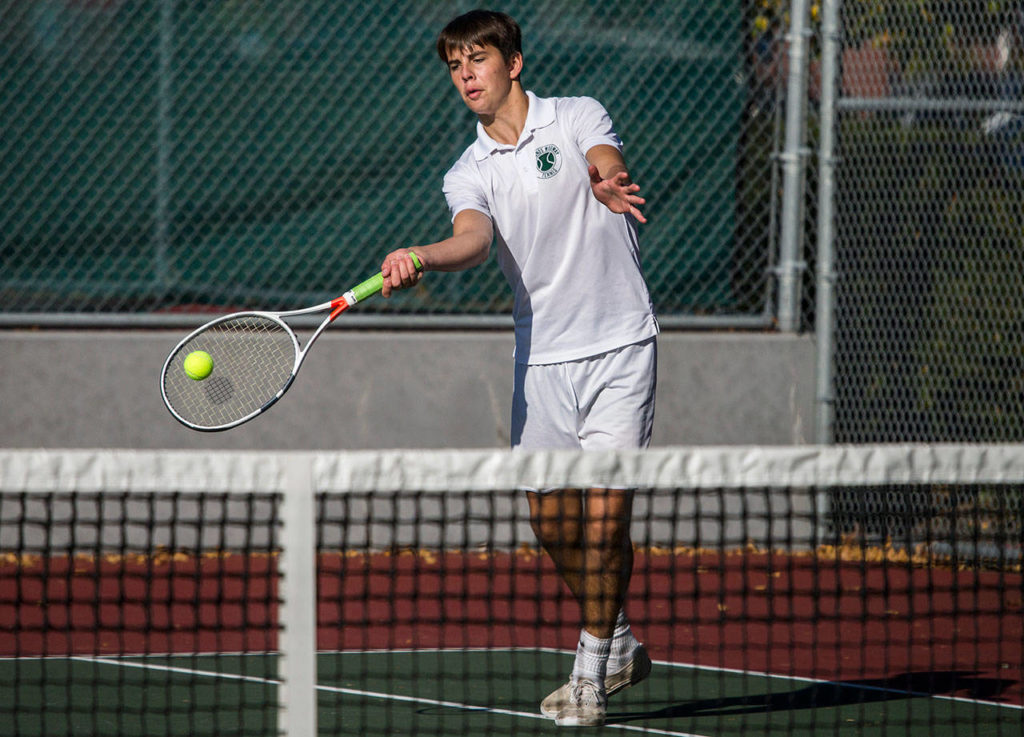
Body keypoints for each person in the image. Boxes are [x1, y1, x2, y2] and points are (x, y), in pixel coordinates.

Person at [379, 9, 658, 727]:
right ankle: (621, 638)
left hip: (621, 347)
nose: (466, 75)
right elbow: (472, 239)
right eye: (454, 65)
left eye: (478, 59)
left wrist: (606, 180)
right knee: (550, 521)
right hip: (542, 361)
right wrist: (423, 255)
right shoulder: (468, 170)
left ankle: (590, 671)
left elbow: (605, 160)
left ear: (514, 63)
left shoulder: (575, 115)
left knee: (605, 525)